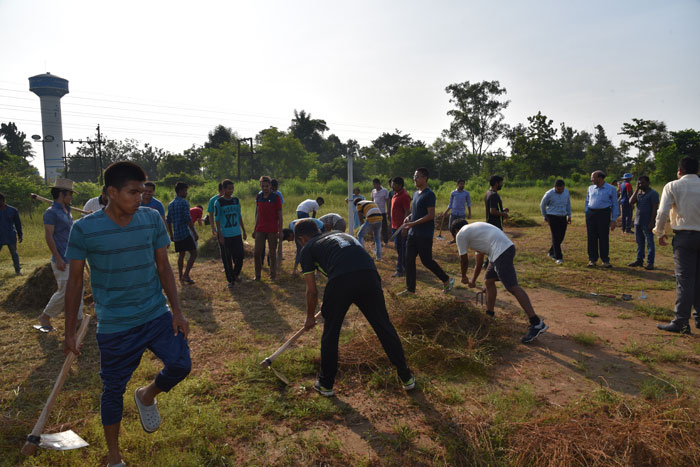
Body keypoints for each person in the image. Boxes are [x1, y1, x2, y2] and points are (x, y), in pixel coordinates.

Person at [64, 161, 191, 467]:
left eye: (143, 191)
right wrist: (69, 331)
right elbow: (75, 281)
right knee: (112, 390)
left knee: (181, 364)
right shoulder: (84, 229)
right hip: (116, 325)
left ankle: (147, 395)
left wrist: (177, 311)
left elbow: (163, 266)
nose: (140, 197)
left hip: (155, 313)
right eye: (134, 192)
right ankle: (114, 458)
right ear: (111, 192)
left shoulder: (150, 219)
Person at [294, 219, 415, 396]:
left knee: (331, 333)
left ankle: (326, 383)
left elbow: (311, 291)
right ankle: (406, 377)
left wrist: (310, 317)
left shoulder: (308, 248)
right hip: (369, 275)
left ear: (302, 238)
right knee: (383, 326)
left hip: (342, 280)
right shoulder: (342, 235)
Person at [450, 219, 548, 343]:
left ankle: (536, 323)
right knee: (489, 281)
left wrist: (464, 276)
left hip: (500, 252)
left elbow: (464, 260)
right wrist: (473, 280)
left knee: (512, 287)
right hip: (501, 250)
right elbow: (479, 262)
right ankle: (489, 315)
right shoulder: (475, 232)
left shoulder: (461, 234)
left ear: (455, 231)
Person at [654, 157, 700, 334]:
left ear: (679, 171)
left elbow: (663, 211)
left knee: (685, 280)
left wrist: (659, 232)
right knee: (698, 279)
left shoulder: (673, 186)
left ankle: (681, 321)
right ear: (697, 171)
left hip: (685, 237)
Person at [36, 178, 84, 332]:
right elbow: (49, 236)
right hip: (61, 258)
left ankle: (78, 319)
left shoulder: (67, 211)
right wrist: (57, 258)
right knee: (64, 291)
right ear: (61, 194)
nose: (72, 197)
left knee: (78, 288)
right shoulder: (50, 213)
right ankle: (45, 316)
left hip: (72, 256)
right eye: (70, 194)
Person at [399, 168, 454, 296]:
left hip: (424, 234)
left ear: (425, 178)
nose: (415, 179)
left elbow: (430, 215)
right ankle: (410, 289)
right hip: (413, 234)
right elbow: (417, 211)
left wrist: (412, 223)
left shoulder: (429, 194)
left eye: (417, 176)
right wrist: (409, 217)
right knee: (408, 260)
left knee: (427, 261)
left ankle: (446, 279)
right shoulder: (415, 193)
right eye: (414, 176)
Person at [215, 179, 247, 288]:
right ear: (223, 189)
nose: (231, 190)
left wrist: (243, 230)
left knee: (240, 255)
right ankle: (231, 280)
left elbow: (239, 215)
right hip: (225, 235)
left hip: (236, 233)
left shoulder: (236, 200)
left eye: (232, 188)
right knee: (227, 258)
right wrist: (220, 235)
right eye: (229, 188)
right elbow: (217, 220)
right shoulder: (219, 202)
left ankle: (235, 274)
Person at [585, 170, 619, 268]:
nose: (591, 179)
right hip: (591, 214)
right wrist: (587, 212)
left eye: (593, 177)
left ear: (600, 178)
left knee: (603, 237)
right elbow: (587, 201)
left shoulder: (611, 189)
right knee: (591, 237)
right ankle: (592, 259)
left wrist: (613, 219)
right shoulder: (590, 188)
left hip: (603, 214)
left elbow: (615, 204)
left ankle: (605, 260)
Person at [166, 182, 198, 284]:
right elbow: (188, 219)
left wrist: (171, 234)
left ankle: (180, 276)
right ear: (180, 191)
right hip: (185, 233)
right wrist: (194, 232)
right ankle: (186, 275)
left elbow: (168, 221)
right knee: (193, 253)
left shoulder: (171, 204)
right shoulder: (184, 203)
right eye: (185, 191)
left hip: (177, 234)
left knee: (181, 254)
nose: (186, 193)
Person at [253, 176, 283, 281]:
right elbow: (257, 214)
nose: (265, 188)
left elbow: (280, 215)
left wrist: (280, 230)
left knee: (272, 253)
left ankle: (272, 275)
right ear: (260, 186)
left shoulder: (276, 197)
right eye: (263, 186)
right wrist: (254, 228)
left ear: (270, 186)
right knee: (257, 252)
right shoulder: (259, 196)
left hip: (272, 229)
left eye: (267, 186)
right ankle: (257, 275)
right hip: (260, 228)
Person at [628, 176, 659, 270]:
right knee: (639, 242)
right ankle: (639, 260)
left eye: (643, 183)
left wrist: (652, 222)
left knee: (649, 243)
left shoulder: (653, 194)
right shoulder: (639, 194)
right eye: (639, 183)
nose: (641, 185)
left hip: (647, 222)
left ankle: (650, 263)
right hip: (638, 222)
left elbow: (655, 209)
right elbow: (631, 202)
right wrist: (637, 189)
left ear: (648, 183)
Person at [539, 180, 572, 264]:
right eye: (559, 190)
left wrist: (569, 215)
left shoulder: (566, 191)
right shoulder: (549, 193)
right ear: (555, 187)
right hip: (552, 216)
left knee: (561, 236)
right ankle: (558, 257)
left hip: (563, 216)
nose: (561, 191)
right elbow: (542, 205)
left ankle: (551, 251)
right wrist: (545, 216)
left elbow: (568, 203)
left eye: (562, 189)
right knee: (556, 236)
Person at [390, 177, 411, 278]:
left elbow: (407, 212)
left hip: (400, 227)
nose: (392, 186)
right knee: (398, 248)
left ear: (399, 185)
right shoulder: (395, 194)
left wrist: (404, 227)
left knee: (402, 248)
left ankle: (400, 270)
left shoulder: (404, 196)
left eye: (394, 184)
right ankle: (405, 267)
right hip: (394, 226)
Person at [0, 192, 22, 275]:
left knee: (14, 254)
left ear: (3, 200)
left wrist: (20, 235)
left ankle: (18, 270)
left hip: (10, 235)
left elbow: (18, 223)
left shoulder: (13, 210)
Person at [446, 179, 472, 243]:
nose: (462, 185)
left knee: (462, 228)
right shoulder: (453, 193)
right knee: (450, 227)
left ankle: (461, 240)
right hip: (454, 212)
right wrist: (446, 212)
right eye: (461, 184)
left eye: (463, 184)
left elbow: (468, 204)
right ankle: (454, 239)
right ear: (457, 184)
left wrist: (469, 213)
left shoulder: (466, 193)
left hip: (461, 213)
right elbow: (450, 204)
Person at [371, 178, 391, 246]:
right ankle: (375, 240)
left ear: (379, 184)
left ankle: (385, 242)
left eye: (375, 184)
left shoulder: (385, 191)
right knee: (374, 227)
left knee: (384, 227)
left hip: (382, 212)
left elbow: (388, 200)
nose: (374, 186)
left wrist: (388, 210)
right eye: (373, 184)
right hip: (374, 212)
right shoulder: (373, 191)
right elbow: (372, 200)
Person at [271, 179, 284, 264]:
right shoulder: (266, 193)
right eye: (274, 187)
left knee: (279, 235)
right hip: (270, 219)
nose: (275, 188)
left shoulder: (278, 193)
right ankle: (273, 254)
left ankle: (279, 254)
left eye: (276, 187)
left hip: (277, 218)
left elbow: (280, 205)